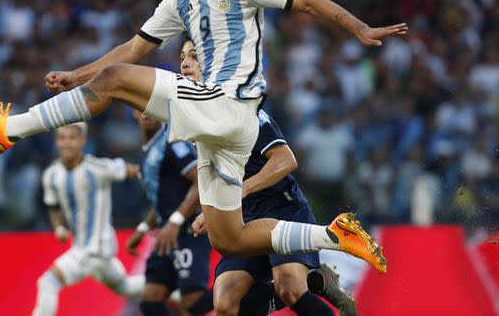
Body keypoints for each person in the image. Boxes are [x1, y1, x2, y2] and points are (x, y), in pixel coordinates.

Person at [0, 0, 404, 277]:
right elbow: (134, 47)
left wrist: (358, 27)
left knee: (119, 77)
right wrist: (78, 74)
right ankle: (335, 235)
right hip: (224, 133)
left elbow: (306, 1)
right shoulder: (177, 1)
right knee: (227, 237)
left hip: (228, 105)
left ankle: (11, 128)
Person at [178, 38, 356, 316]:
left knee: (289, 289)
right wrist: (207, 211)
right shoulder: (193, 119)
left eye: (194, 56)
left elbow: (287, 160)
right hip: (244, 219)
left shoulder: (242, 109)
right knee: (225, 303)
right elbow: (211, 171)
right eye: (182, 57)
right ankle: (314, 280)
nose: (185, 63)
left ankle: (308, 282)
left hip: (282, 210)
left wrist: (242, 189)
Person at [32, 123, 144, 316]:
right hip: (85, 248)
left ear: (83, 141)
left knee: (48, 282)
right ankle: (172, 285)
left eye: (72, 138)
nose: (66, 143)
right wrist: (58, 227)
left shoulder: (97, 168)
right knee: (124, 287)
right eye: (62, 138)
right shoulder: (51, 175)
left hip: (95, 248)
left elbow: (133, 170)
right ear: (56, 141)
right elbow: (53, 207)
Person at [125, 108, 214, 316]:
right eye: (140, 106)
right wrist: (143, 227)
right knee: (150, 300)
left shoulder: (173, 141)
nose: (147, 111)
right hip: (167, 233)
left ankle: (247, 290)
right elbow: (163, 197)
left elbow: (200, 183)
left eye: (151, 105)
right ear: (134, 112)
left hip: (189, 230)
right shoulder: (145, 150)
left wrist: (175, 221)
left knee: (193, 303)